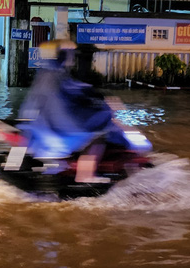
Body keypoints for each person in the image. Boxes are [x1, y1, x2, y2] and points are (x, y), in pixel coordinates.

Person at [18, 39, 127, 183]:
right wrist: (103, 102)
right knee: (99, 135)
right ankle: (85, 175)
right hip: (61, 132)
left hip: (37, 132)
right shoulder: (62, 77)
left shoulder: (41, 77)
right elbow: (82, 92)